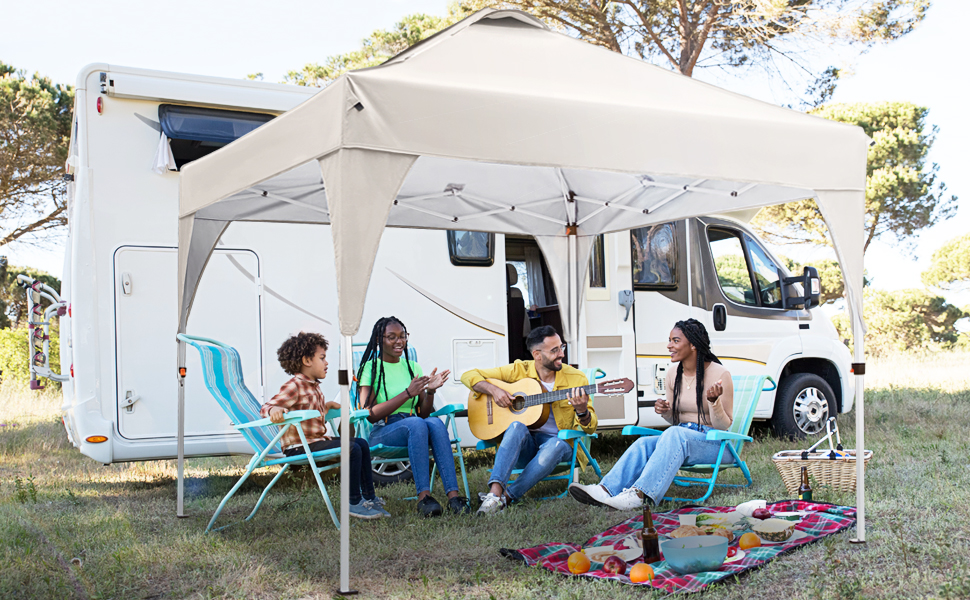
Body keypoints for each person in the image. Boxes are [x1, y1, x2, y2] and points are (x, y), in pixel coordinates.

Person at [569, 318, 734, 509]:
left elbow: (724, 426)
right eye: (669, 340)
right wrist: (666, 412)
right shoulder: (674, 373)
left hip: (716, 445)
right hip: (683, 438)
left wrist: (713, 402)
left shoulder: (720, 375)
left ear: (693, 345)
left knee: (675, 434)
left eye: (675, 341)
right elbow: (676, 423)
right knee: (643, 443)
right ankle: (605, 490)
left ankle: (640, 494)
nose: (669, 345)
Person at [461, 325, 597, 515]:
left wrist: (582, 411)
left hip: (558, 445)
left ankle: (507, 498)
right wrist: (495, 390)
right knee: (516, 425)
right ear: (537, 355)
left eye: (562, 347)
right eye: (554, 350)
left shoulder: (576, 378)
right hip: (524, 446)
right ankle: (494, 494)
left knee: (556, 444)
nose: (561, 354)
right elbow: (467, 375)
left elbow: (590, 428)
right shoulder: (519, 370)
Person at [260, 332, 388, 520]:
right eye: (322, 358)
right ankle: (353, 502)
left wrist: (326, 407)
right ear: (306, 360)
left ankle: (369, 497)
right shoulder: (295, 385)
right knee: (352, 448)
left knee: (361, 443)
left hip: (316, 441)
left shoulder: (314, 386)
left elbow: (308, 412)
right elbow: (267, 406)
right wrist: (274, 410)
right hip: (300, 447)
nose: (327, 363)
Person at [357, 316, 471, 517]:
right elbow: (371, 414)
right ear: (378, 340)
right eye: (391, 337)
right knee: (417, 424)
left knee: (434, 422)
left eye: (402, 336)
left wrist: (431, 392)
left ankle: (454, 497)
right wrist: (407, 393)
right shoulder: (371, 368)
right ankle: (424, 499)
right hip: (384, 430)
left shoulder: (413, 367)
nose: (399, 341)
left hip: (413, 424)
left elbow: (423, 413)